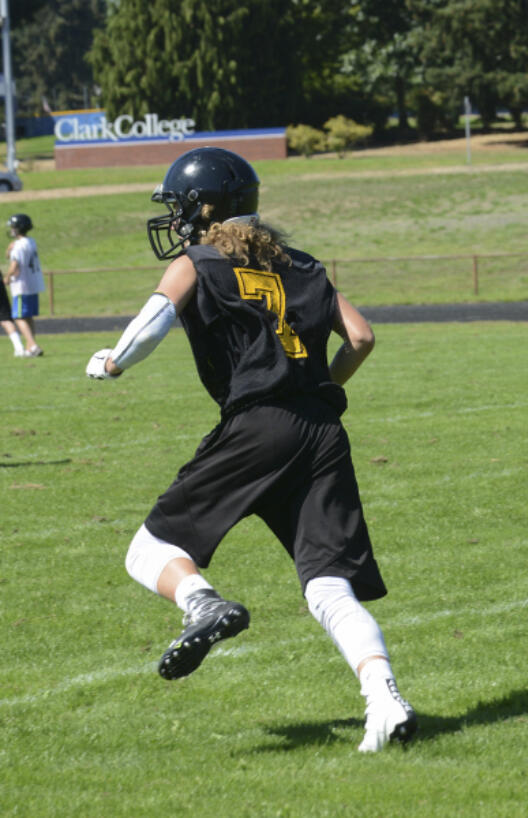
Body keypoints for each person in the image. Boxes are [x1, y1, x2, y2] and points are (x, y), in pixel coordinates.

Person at [85, 147, 416, 752]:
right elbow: (362, 337)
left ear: (208, 208)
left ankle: (201, 604)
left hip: (258, 426)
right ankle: (385, 699)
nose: (179, 220)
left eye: (184, 207)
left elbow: (155, 318)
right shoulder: (305, 264)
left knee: (149, 550)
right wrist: (315, 390)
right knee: (326, 585)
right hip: (321, 431)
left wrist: (112, 361)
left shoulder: (201, 261)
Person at [5, 213, 44, 357]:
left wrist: (7, 277)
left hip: (22, 285)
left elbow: (15, 265)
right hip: (34, 283)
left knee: (19, 317)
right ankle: (30, 347)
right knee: (28, 317)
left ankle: (33, 345)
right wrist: (9, 251)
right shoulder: (31, 242)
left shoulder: (18, 246)